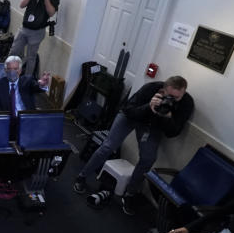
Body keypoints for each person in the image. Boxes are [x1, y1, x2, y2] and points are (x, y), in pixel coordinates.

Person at [73, 75, 194, 215]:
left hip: (152, 125)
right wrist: (149, 107)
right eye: (170, 96)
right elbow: (129, 109)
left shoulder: (186, 103)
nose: (172, 100)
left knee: (148, 158)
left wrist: (168, 117)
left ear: (183, 93)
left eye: (177, 97)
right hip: (131, 116)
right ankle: (82, 176)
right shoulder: (150, 89)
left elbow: (173, 132)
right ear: (163, 90)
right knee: (108, 146)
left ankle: (130, 194)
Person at [8, 0, 59, 70]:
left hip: (38, 31)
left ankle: (27, 80)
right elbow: (22, 5)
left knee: (31, 57)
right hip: (24, 28)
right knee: (14, 51)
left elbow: (51, 13)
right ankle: (8, 73)